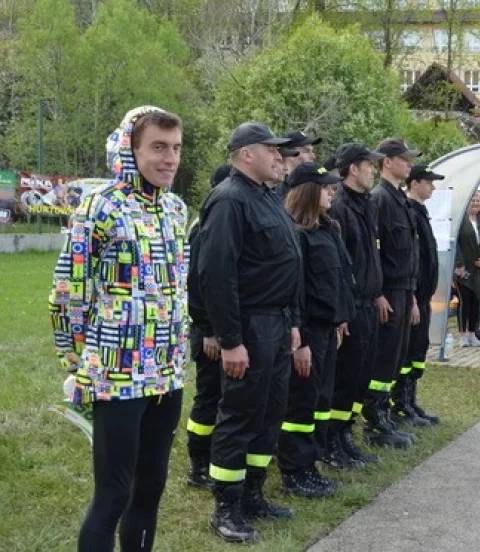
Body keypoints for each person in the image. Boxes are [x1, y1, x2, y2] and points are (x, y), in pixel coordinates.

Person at [49, 106, 188, 551]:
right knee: (114, 494)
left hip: (166, 372)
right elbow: (69, 290)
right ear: (130, 149)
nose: (169, 158)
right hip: (115, 374)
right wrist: (75, 359)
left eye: (176, 148)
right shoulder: (100, 207)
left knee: (150, 490)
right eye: (159, 148)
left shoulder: (176, 207)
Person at [199, 122, 301, 544]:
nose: (280, 157)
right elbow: (216, 275)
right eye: (271, 150)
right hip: (251, 326)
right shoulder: (229, 201)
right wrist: (231, 341)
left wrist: (292, 324)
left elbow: (286, 264)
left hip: (277, 324)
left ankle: (254, 495)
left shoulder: (267, 196)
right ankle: (226, 506)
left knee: (269, 412)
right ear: (245, 154)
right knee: (239, 414)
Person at [277, 162, 351, 497]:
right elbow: (296, 292)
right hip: (307, 332)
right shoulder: (297, 233)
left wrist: (338, 320)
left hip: (327, 328)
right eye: (325, 187)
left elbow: (336, 280)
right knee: (300, 404)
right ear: (307, 191)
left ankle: (311, 461)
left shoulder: (327, 227)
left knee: (320, 398)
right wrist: (302, 340)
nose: (331, 192)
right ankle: (294, 470)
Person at [327, 143, 395, 455]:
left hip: (369, 303)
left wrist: (378, 293)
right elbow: (340, 264)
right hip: (351, 306)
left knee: (361, 375)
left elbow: (371, 255)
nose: (374, 171)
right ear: (353, 168)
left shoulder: (366, 203)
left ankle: (346, 432)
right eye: (370, 165)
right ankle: (334, 439)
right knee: (345, 377)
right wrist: (342, 314)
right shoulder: (339, 205)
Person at [371, 137, 429, 436]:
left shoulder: (400, 200)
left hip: (405, 289)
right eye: (404, 158)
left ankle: (389, 410)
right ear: (387, 162)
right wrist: (378, 293)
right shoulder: (380, 199)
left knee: (397, 355)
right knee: (384, 356)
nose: (410, 163)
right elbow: (375, 252)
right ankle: (375, 418)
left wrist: (415, 298)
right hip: (389, 290)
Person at [186, 163, 234, 491]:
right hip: (208, 333)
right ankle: (198, 465)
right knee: (208, 397)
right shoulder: (205, 227)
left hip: (220, 328)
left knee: (221, 397)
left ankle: (213, 455)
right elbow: (199, 283)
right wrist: (208, 331)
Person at [404, 164, 446, 423]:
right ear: (415, 183)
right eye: (429, 182)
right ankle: (400, 404)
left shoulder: (421, 210)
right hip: (413, 294)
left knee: (419, 350)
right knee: (407, 352)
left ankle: (410, 400)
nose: (432, 186)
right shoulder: (409, 209)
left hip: (423, 294)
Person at [455, 191, 480, 347]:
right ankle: (463, 334)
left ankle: (473, 332)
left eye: (478, 200)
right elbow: (456, 243)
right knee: (465, 300)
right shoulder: (461, 219)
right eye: (472, 200)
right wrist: (458, 264)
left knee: (478, 300)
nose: (475, 203)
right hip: (464, 268)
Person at [274, 131, 321, 199]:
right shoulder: (276, 188)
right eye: (306, 151)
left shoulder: (306, 184)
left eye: (312, 151)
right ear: (290, 154)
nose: (313, 156)